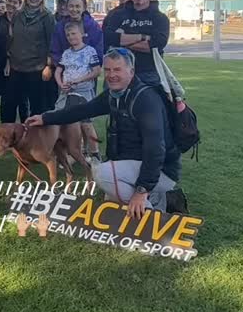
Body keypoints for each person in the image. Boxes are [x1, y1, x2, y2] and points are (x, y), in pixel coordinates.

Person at [27, 47, 184, 216]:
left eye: (117, 69)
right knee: (111, 198)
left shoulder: (145, 100)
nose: (111, 75)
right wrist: (45, 118)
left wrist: (142, 190)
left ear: (131, 72)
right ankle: (160, 199)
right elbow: (83, 110)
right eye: (107, 70)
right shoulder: (114, 94)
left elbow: (155, 149)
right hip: (138, 163)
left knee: (102, 173)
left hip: (162, 170)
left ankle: (149, 211)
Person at [103, 0, 170, 88]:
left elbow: (156, 45)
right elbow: (108, 37)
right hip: (118, 71)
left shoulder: (160, 18)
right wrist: (142, 37)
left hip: (148, 73)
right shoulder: (117, 15)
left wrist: (121, 41)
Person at [1, 0, 54, 124]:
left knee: (37, 108)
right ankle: (8, 134)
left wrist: (48, 66)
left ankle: (35, 136)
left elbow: (51, 43)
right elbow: (11, 39)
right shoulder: (17, 14)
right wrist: (8, 60)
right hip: (16, 67)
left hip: (37, 69)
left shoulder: (47, 17)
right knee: (8, 106)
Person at [55, 20, 101, 158]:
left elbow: (97, 71)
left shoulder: (89, 51)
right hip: (68, 93)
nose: (71, 37)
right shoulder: (66, 53)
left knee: (86, 124)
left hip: (83, 92)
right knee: (70, 124)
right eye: (68, 35)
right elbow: (58, 71)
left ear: (82, 34)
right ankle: (75, 152)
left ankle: (95, 153)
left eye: (74, 33)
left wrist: (79, 80)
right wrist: (60, 83)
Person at [50, 0, 103, 68]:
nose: (74, 9)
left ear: (84, 8)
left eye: (77, 6)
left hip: (88, 71)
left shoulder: (93, 26)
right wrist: (64, 67)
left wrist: (91, 68)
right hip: (66, 70)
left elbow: (98, 51)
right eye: (71, 6)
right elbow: (55, 50)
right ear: (67, 7)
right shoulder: (59, 27)